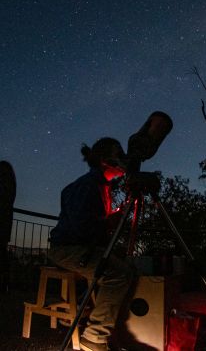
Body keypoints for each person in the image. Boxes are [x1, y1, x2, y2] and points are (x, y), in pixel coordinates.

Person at [49, 138, 134, 351]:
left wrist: (109, 220)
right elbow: (82, 227)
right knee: (117, 274)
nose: (123, 159)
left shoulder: (98, 185)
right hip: (67, 249)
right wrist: (110, 221)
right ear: (105, 160)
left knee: (120, 267)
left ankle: (108, 329)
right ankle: (93, 339)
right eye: (118, 154)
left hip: (78, 246)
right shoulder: (88, 185)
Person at [0, 160, 16, 292]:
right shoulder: (9, 187)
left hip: (3, 221)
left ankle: (5, 282)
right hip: (5, 223)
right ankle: (5, 283)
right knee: (2, 251)